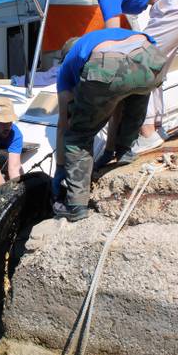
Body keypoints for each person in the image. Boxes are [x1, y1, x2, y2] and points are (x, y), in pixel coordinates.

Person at [69, 0, 178, 155]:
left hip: (172, 7)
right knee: (157, 66)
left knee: (140, 66)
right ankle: (157, 126)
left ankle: (147, 132)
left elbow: (113, 35)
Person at [53, 29, 166, 221]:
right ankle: (125, 150)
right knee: (135, 92)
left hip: (108, 65)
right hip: (149, 56)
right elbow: (119, 101)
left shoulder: (68, 67)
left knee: (78, 136)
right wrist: (110, 149)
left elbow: (64, 124)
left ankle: (76, 205)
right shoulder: (103, 36)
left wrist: (61, 166)